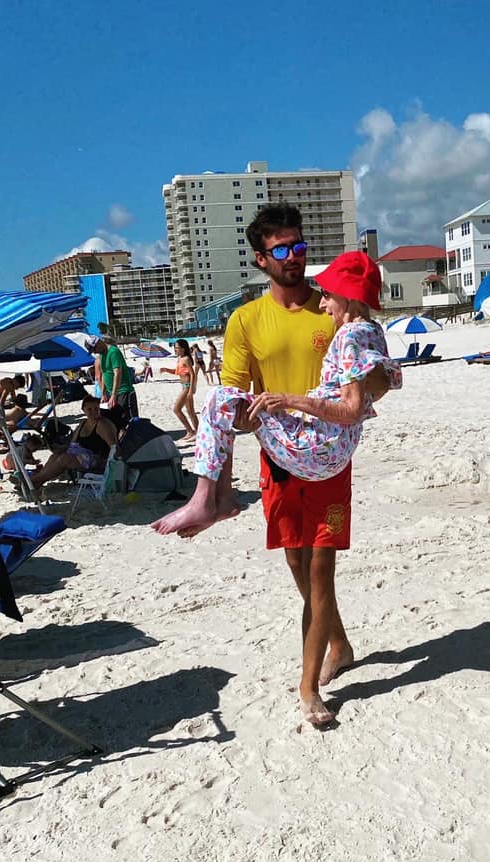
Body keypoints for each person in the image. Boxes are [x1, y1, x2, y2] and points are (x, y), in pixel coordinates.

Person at [153, 203, 358, 727]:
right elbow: (238, 399)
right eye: (283, 250)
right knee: (295, 561)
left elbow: (366, 372)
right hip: (279, 457)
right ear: (261, 259)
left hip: (329, 458)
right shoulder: (245, 320)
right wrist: (245, 418)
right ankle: (338, 640)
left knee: (319, 568)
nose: (295, 258)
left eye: (301, 247)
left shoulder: (331, 309)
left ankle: (309, 686)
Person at [153, 251, 400, 529]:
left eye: (328, 295)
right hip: (336, 449)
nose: (322, 303)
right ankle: (220, 498)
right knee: (227, 405)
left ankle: (209, 500)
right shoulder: (373, 331)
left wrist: (287, 400)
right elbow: (384, 385)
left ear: (351, 297)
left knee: (219, 398)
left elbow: (351, 411)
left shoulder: (349, 335)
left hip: (316, 446)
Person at [29, 396, 117, 489]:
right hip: (82, 455)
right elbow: (72, 443)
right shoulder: (83, 423)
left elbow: (113, 447)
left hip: (97, 459)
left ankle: (33, 480)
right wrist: (60, 449)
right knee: (55, 456)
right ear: (84, 410)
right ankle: (37, 482)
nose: (93, 412)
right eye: (89, 409)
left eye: (96, 408)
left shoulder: (102, 424)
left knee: (64, 459)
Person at [87, 336, 139, 429]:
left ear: (99, 343)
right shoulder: (102, 355)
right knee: (117, 420)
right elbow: (104, 375)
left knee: (129, 420)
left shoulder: (113, 352)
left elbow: (117, 373)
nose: (95, 352)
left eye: (94, 349)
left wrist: (114, 395)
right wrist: (103, 393)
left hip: (123, 391)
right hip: (111, 393)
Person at [160, 338, 199, 441]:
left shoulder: (186, 359)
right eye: (175, 347)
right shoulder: (180, 359)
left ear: (183, 349)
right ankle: (194, 432)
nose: (175, 349)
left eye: (177, 348)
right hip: (183, 386)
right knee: (190, 411)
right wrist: (166, 370)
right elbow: (177, 372)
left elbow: (192, 374)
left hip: (187, 387)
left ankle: (192, 431)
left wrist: (191, 390)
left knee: (177, 409)